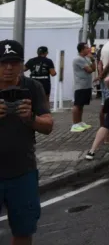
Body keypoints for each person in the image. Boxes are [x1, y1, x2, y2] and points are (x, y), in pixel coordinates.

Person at [0, 40, 53, 245]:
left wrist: (31, 118)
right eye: (3, 63)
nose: (9, 68)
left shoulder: (32, 87)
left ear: (22, 64)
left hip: (23, 172)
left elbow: (48, 126)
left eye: (14, 62)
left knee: (24, 231)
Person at [71, 43, 96, 132]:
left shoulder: (86, 58)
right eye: (87, 48)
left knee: (81, 105)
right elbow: (89, 70)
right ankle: (75, 124)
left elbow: (94, 69)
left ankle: (79, 122)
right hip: (80, 85)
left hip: (86, 85)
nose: (89, 49)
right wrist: (91, 63)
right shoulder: (78, 59)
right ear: (82, 49)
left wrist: (92, 60)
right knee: (77, 104)